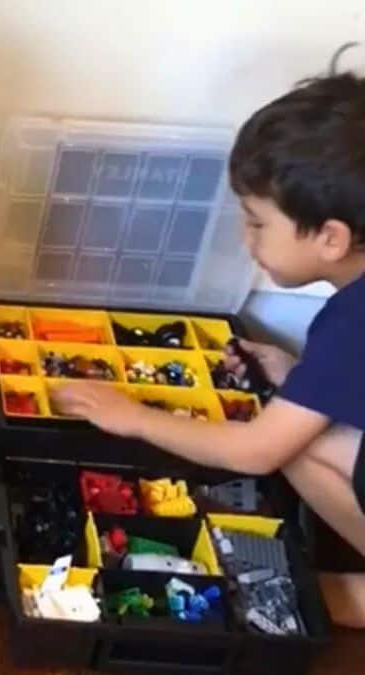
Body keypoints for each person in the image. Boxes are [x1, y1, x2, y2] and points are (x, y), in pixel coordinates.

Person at [52, 72, 365, 627]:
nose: (247, 241)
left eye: (256, 223)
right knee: (304, 426)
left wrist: (135, 418)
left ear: (331, 238)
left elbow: (254, 453)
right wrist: (299, 374)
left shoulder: (351, 324)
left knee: (292, 443)